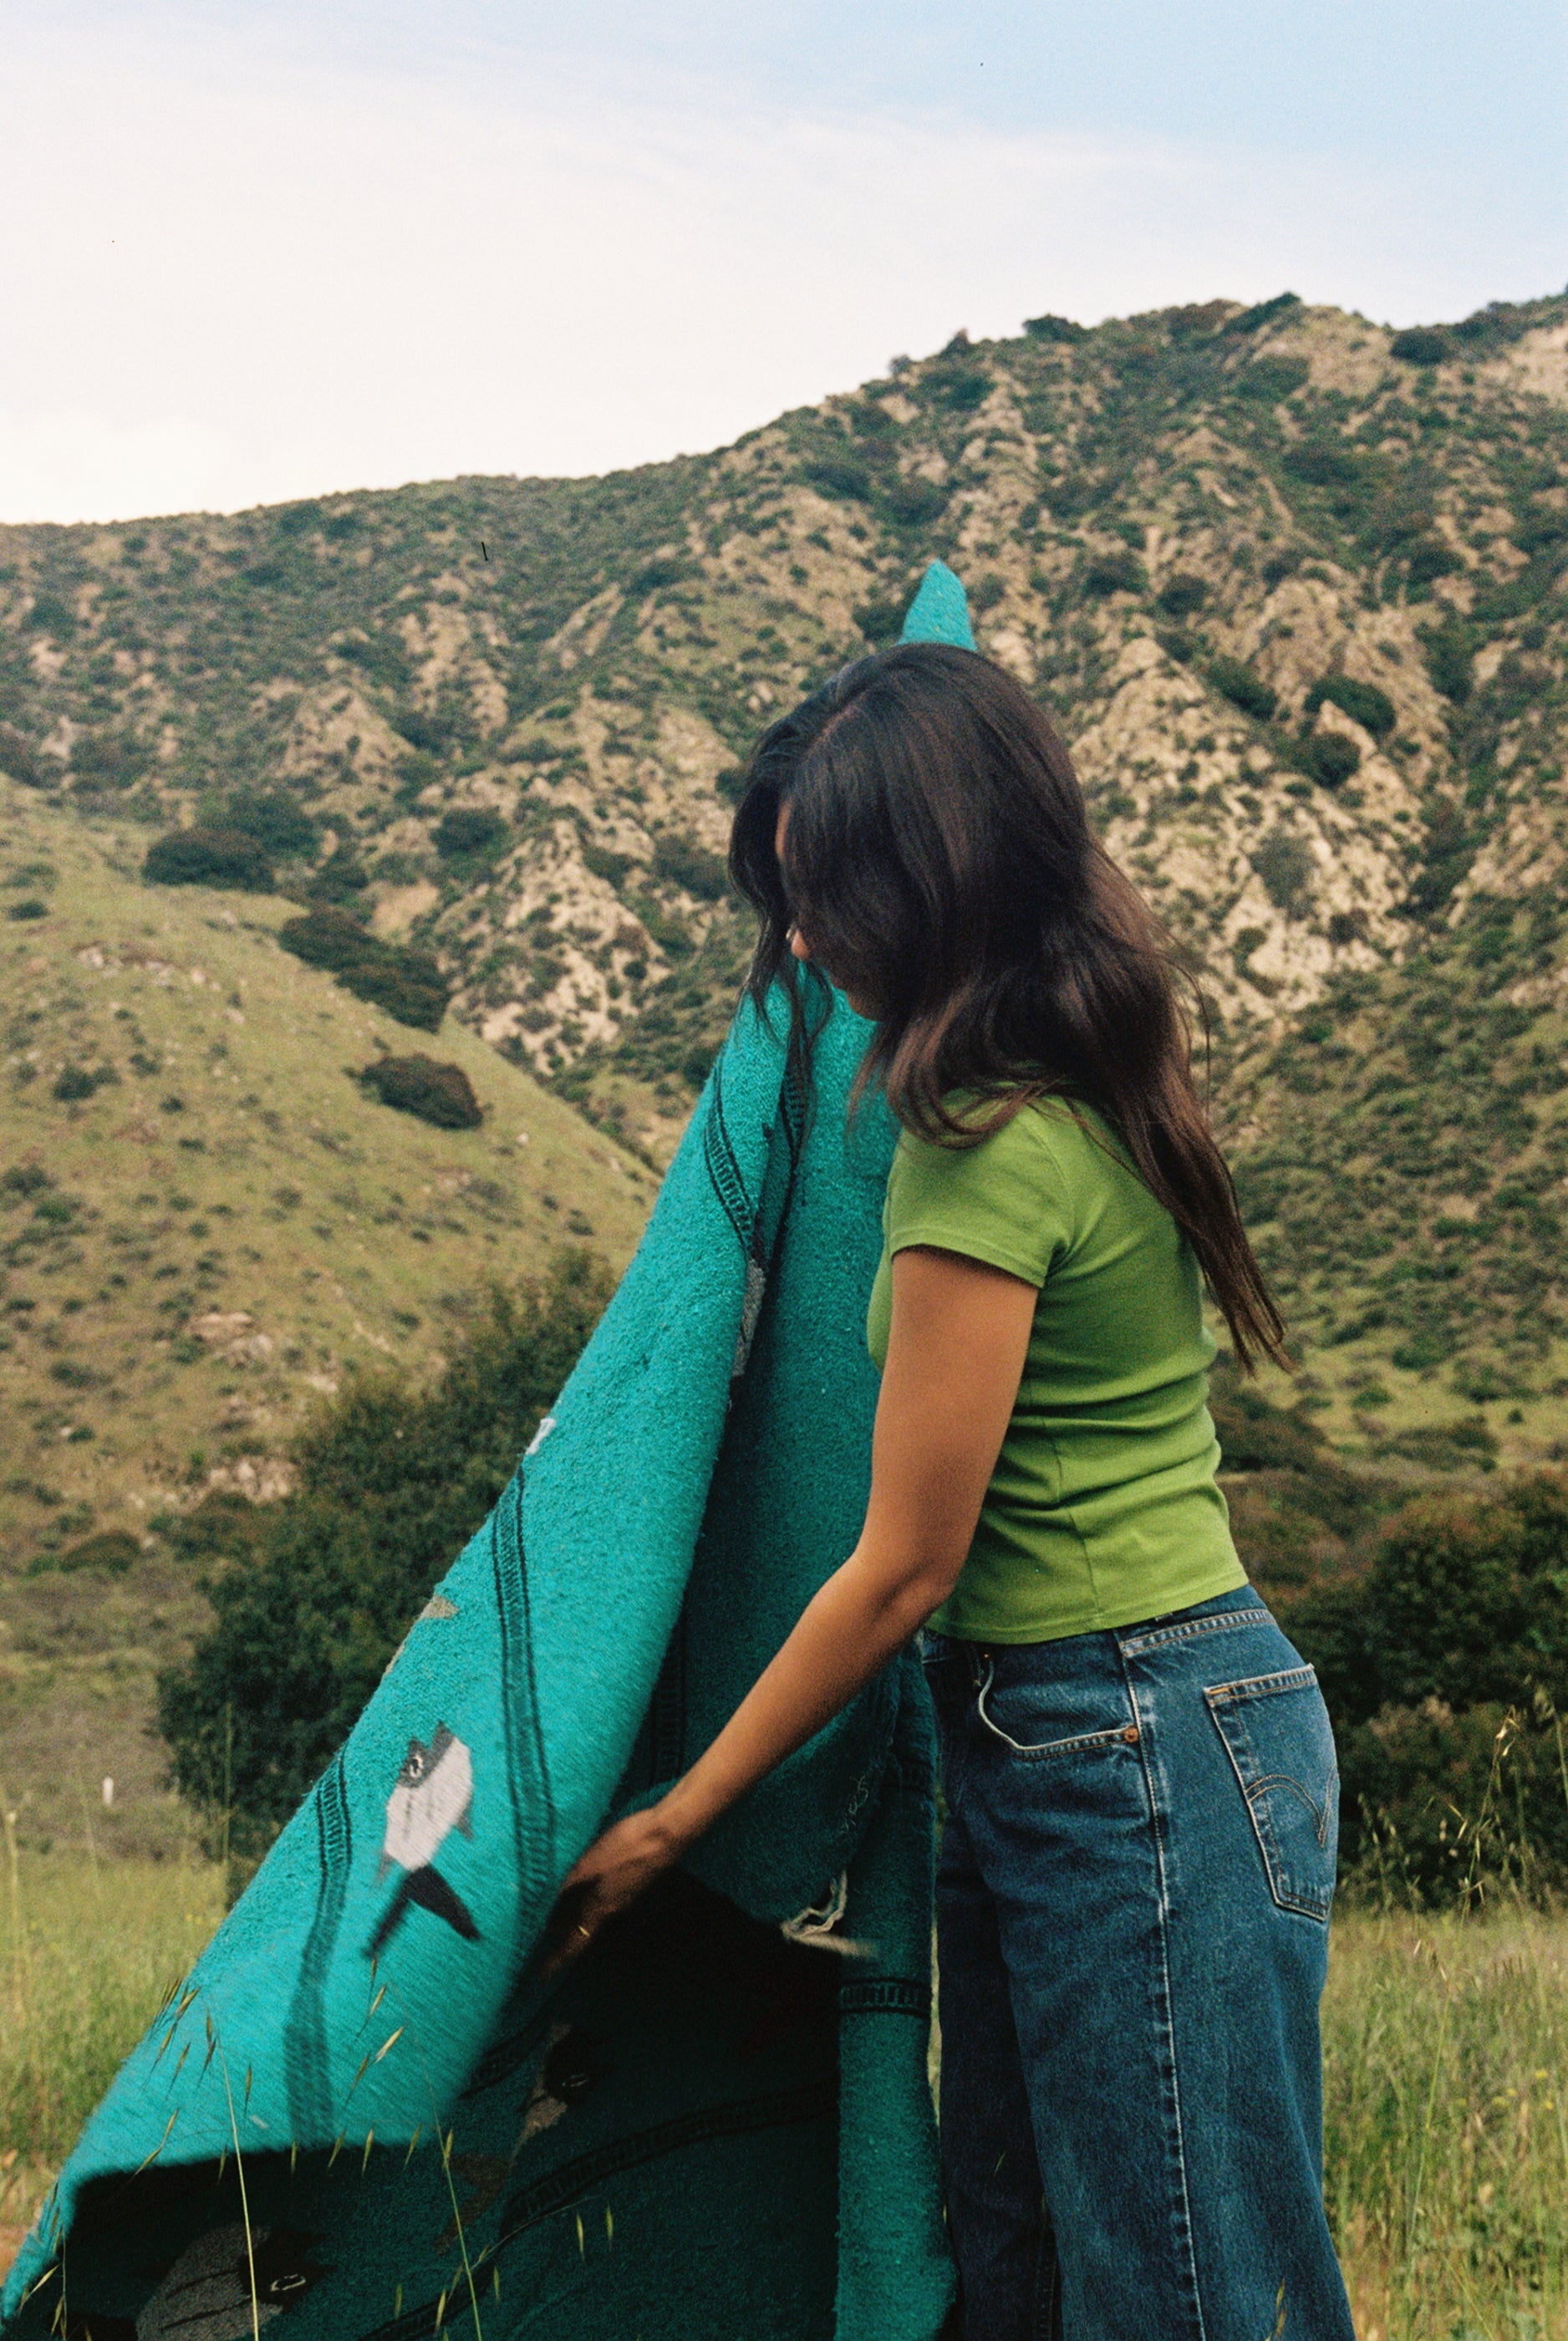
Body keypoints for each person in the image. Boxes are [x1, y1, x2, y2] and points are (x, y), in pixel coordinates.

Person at [547, 641, 1355, 2340]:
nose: (809, 948)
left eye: (824, 894)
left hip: (1123, 1738)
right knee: (1024, 2283)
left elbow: (904, 1564)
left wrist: (679, 1816)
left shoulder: (982, 1136)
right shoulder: (1083, 1064)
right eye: (785, 903)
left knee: (1180, 2299)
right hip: (1103, 1732)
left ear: (926, 877)